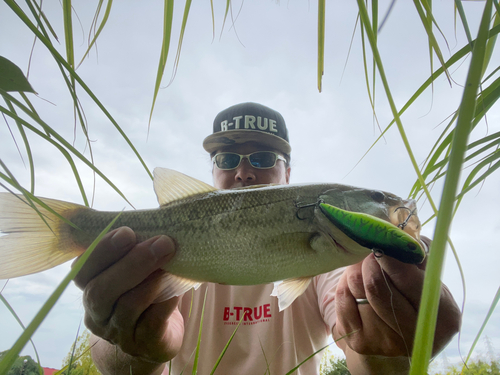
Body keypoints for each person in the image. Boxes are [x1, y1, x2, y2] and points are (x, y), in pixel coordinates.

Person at [74, 102, 461, 374]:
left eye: (262, 158)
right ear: (212, 172)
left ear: (288, 175)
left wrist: (389, 352)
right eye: (226, 159)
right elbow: (110, 360)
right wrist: (128, 344)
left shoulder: (338, 261)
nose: (243, 171)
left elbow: (359, 346)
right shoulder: (156, 254)